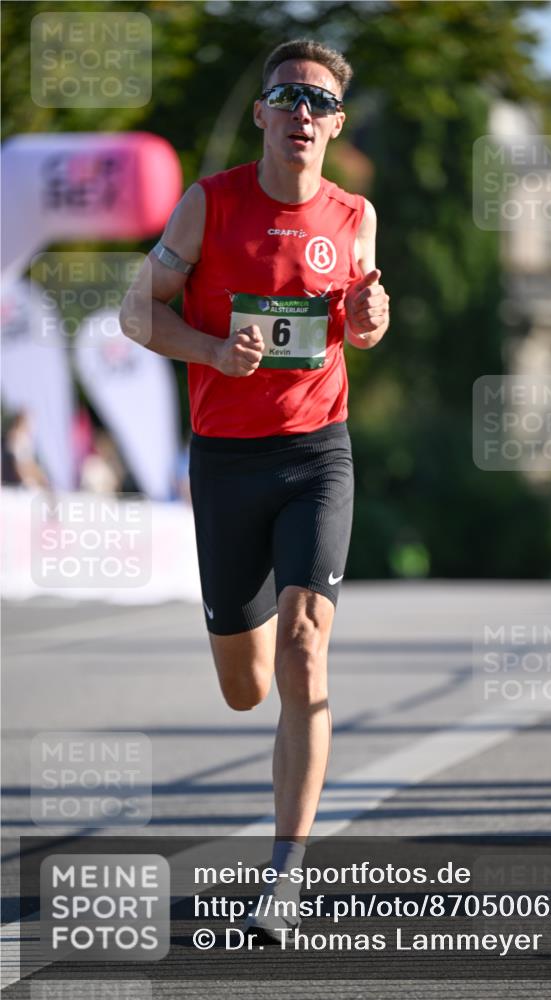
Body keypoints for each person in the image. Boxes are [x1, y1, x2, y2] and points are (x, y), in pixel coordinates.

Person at [120, 37, 390, 942]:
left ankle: (284, 875)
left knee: (305, 653)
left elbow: (359, 316)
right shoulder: (209, 205)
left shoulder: (355, 215)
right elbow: (135, 310)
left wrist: (370, 317)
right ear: (263, 114)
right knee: (246, 687)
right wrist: (208, 351)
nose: (303, 113)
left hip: (318, 453)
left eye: (319, 102)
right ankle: (251, 635)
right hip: (227, 462)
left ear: (335, 124)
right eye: (288, 97)